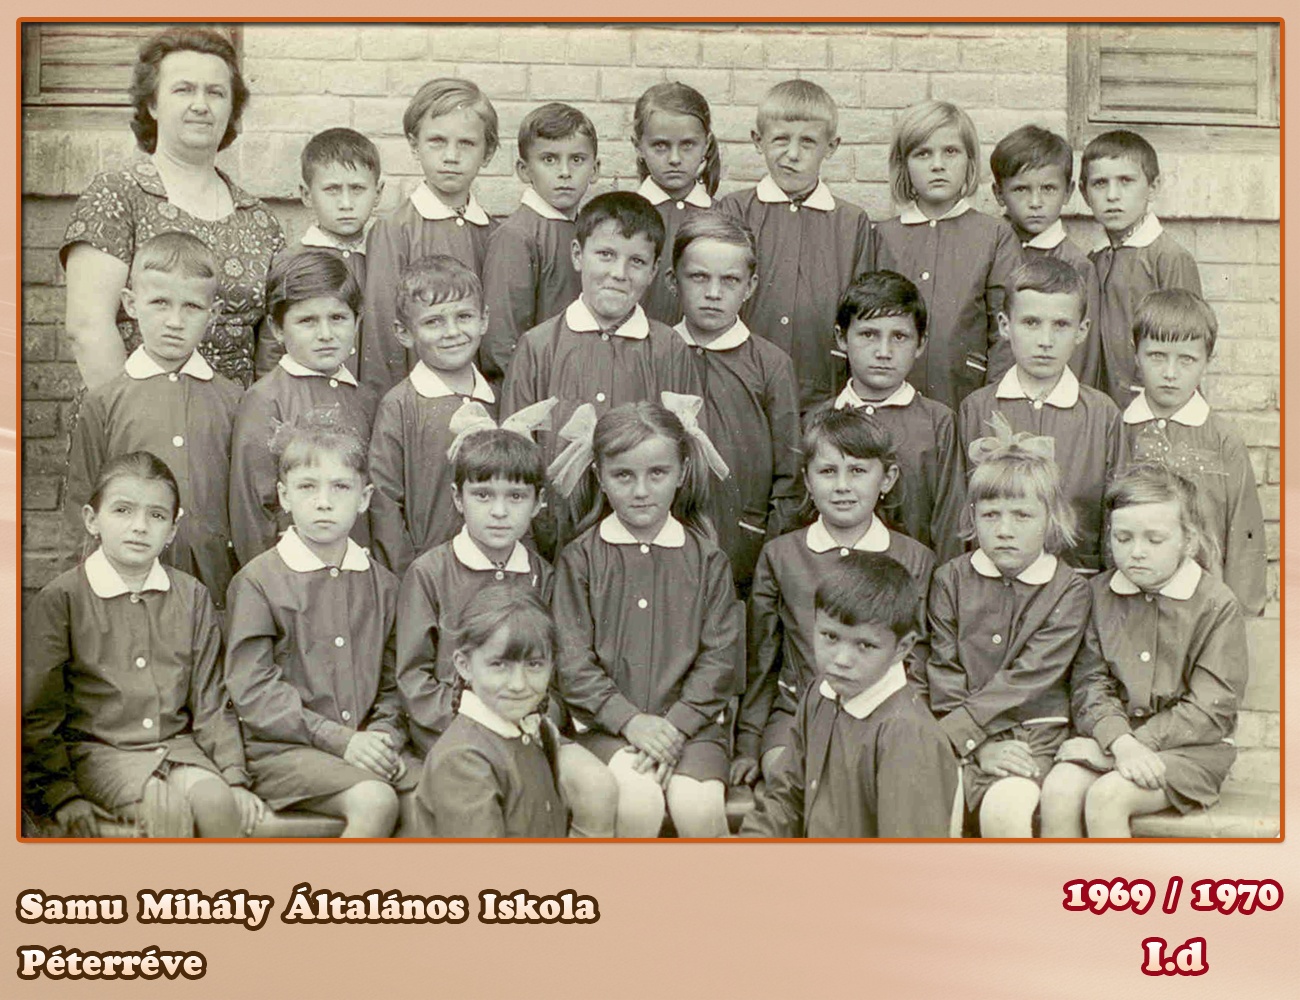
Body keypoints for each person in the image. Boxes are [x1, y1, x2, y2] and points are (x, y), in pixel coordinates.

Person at [24, 452, 261, 838]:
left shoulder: (191, 596)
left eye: (157, 515)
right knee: (164, 809)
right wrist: (61, 795)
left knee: (219, 802)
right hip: (99, 751)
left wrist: (234, 775)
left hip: (175, 747)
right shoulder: (62, 599)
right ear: (92, 519)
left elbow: (211, 700)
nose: (139, 527)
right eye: (122, 510)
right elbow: (38, 712)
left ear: (172, 529)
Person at [551, 400, 739, 838]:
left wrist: (676, 726)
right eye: (623, 475)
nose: (641, 491)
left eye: (657, 473)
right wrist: (630, 721)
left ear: (682, 472)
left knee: (699, 808)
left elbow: (719, 660)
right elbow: (572, 663)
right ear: (599, 476)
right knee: (637, 802)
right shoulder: (581, 559)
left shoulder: (707, 560)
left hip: (691, 729)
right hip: (607, 728)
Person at [61, 25, 283, 391]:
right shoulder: (117, 196)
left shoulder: (260, 220)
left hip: (233, 418)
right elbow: (88, 328)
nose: (201, 105)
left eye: (216, 92)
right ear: (152, 104)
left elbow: (272, 343)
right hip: (134, 415)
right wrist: (137, 416)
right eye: (183, 89)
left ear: (232, 109)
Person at [225, 409, 410, 838]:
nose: (323, 502)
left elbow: (394, 683)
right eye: (307, 486)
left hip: (363, 745)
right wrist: (342, 741)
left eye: (340, 487)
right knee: (375, 800)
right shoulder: (258, 582)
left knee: (437, 791)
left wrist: (382, 739)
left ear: (364, 498)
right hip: (283, 753)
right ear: (284, 495)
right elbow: (255, 692)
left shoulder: (384, 585)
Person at [1040, 464, 1248, 838]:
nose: (1136, 552)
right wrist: (1118, 741)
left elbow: (1210, 708)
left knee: (1108, 796)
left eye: (1154, 540)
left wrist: (1129, 747)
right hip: (1111, 737)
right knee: (1058, 790)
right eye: (1123, 538)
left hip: (1190, 750)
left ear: (1188, 540)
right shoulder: (1096, 595)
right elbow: (1090, 684)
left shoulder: (1216, 604)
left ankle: (1118, 881)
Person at [736, 408, 935, 788]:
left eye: (858, 471)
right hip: (797, 715)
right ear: (808, 481)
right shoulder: (781, 556)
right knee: (789, 773)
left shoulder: (914, 559)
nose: (842, 486)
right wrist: (748, 742)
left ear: (887, 478)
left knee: (875, 777)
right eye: (828, 471)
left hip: (884, 716)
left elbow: (918, 662)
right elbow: (762, 659)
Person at [500, 191, 703, 555]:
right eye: (606, 255)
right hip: (554, 539)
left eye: (637, 261)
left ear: (654, 270)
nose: (618, 273)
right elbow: (514, 460)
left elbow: (685, 451)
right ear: (578, 255)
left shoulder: (668, 349)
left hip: (643, 541)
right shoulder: (538, 347)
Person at [925, 427, 1091, 837]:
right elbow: (943, 667)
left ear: (1051, 519)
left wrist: (962, 733)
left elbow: (1030, 676)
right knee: (929, 800)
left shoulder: (1068, 589)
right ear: (972, 518)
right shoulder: (950, 580)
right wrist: (973, 743)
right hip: (956, 734)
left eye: (1022, 515)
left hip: (1031, 738)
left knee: (1007, 809)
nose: (1004, 529)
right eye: (990, 515)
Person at [62, 232, 242, 610]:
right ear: (131, 303)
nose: (175, 321)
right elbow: (82, 504)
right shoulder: (104, 402)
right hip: (127, 590)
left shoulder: (234, 401)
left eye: (192, 306)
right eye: (160, 303)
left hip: (212, 584)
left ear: (213, 314)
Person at [739, 552, 959, 838]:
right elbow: (785, 797)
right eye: (830, 636)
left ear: (903, 648)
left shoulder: (907, 734)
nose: (842, 660)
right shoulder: (820, 693)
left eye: (865, 645)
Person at [716, 79, 873, 414]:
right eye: (780, 139)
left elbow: (861, 311)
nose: (792, 154)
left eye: (808, 142)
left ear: (831, 146)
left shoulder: (851, 222)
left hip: (822, 387)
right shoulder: (735, 210)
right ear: (758, 140)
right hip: (742, 383)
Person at [958, 257, 1123, 572]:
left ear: (1082, 330)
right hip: (993, 580)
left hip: (1079, 581)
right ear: (1005, 325)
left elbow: (1116, 517)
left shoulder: (1102, 415)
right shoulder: (976, 409)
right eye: (1031, 323)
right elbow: (962, 510)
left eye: (1060, 325)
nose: (1045, 341)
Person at [669, 212, 801, 595]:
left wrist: (767, 551)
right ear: (673, 280)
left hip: (742, 547)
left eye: (730, 280)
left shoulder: (771, 365)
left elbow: (790, 476)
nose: (714, 293)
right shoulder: (656, 352)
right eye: (699, 277)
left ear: (750, 286)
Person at [1122, 289, 1267, 615]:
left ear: (1207, 362)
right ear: (1136, 354)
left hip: (1203, 607)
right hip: (1130, 605)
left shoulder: (1223, 439)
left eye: (1186, 359)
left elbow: (1245, 534)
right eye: (1157, 356)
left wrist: (1238, 614)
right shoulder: (1119, 429)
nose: (1170, 373)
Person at [229, 250, 378, 564]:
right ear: (277, 328)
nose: (325, 334)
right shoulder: (265, 400)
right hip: (292, 575)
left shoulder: (366, 400)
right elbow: (252, 509)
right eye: (307, 321)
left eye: (337, 318)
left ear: (357, 321)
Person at [874, 100, 1020, 411]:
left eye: (951, 151)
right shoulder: (882, 236)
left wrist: (990, 404)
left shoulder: (994, 235)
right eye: (923, 153)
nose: (937, 165)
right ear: (904, 164)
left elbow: (1006, 331)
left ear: (970, 161)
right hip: (891, 399)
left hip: (965, 396)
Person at [362, 78, 499, 397]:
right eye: (437, 141)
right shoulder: (395, 230)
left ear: (488, 152)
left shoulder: (494, 232)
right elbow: (382, 336)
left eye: (466, 143)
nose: (451, 156)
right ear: (415, 145)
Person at [367, 256, 498, 578]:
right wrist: (409, 579)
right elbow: (385, 502)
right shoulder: (399, 406)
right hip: (430, 575)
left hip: (497, 569)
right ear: (404, 332)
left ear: (483, 320)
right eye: (433, 322)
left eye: (464, 316)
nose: (452, 332)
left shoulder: (498, 400)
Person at [414, 586, 569, 837]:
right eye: (499, 665)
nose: (518, 684)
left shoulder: (535, 730)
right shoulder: (462, 759)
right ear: (464, 665)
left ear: (552, 665)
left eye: (534, 664)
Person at [832, 270, 964, 562]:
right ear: (841, 338)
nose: (884, 352)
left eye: (900, 337)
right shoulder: (820, 418)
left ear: (921, 344)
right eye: (868, 334)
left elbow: (950, 522)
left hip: (915, 577)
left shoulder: (939, 423)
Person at [479, 103, 599, 384]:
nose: (565, 172)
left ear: (595, 169)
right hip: (535, 389)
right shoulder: (517, 235)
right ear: (524, 170)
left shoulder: (589, 231)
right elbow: (501, 341)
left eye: (577, 159)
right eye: (549, 159)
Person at [1082, 129, 1202, 406]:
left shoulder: (1168, 258)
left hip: (1151, 404)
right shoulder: (1093, 259)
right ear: (1084, 193)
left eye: (1126, 181)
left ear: (1153, 186)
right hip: (1102, 405)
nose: (1112, 195)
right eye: (1100, 183)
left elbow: (1186, 346)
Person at [267, 127, 384, 378]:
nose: (346, 203)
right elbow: (272, 346)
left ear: (378, 193)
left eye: (357, 189)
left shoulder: (385, 256)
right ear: (307, 195)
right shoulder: (291, 260)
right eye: (332, 189)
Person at [989, 123, 1099, 388]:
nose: (1035, 202)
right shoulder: (988, 250)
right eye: (1021, 189)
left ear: (1068, 192)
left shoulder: (1077, 264)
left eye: (1048, 189)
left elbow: (1081, 355)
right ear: (999, 193)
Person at [632, 81, 721, 327]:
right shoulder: (623, 215)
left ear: (706, 144)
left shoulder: (722, 215)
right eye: (660, 145)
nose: (674, 159)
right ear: (638, 146)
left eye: (687, 145)